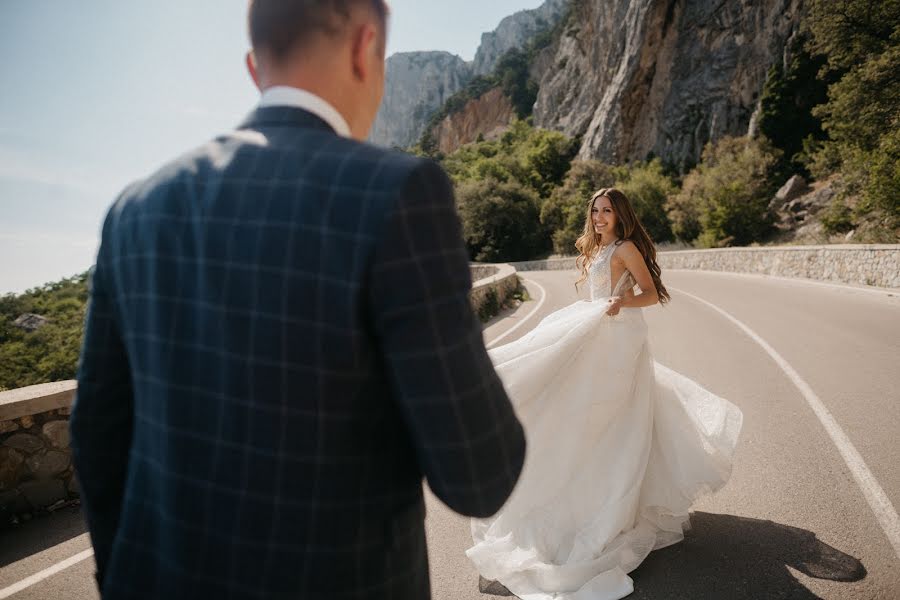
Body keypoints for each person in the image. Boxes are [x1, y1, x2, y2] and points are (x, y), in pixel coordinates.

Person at [70, 1, 526, 598]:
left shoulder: (135, 208)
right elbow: (479, 474)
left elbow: (96, 435)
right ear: (366, 48)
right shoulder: (398, 193)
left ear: (255, 68)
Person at [467, 188, 743, 600]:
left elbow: (652, 293)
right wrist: (608, 305)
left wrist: (621, 304)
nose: (599, 216)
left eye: (606, 210)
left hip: (619, 338)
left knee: (611, 420)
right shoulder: (600, 247)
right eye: (594, 210)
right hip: (597, 332)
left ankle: (611, 509)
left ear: (620, 214)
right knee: (575, 409)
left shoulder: (627, 248)